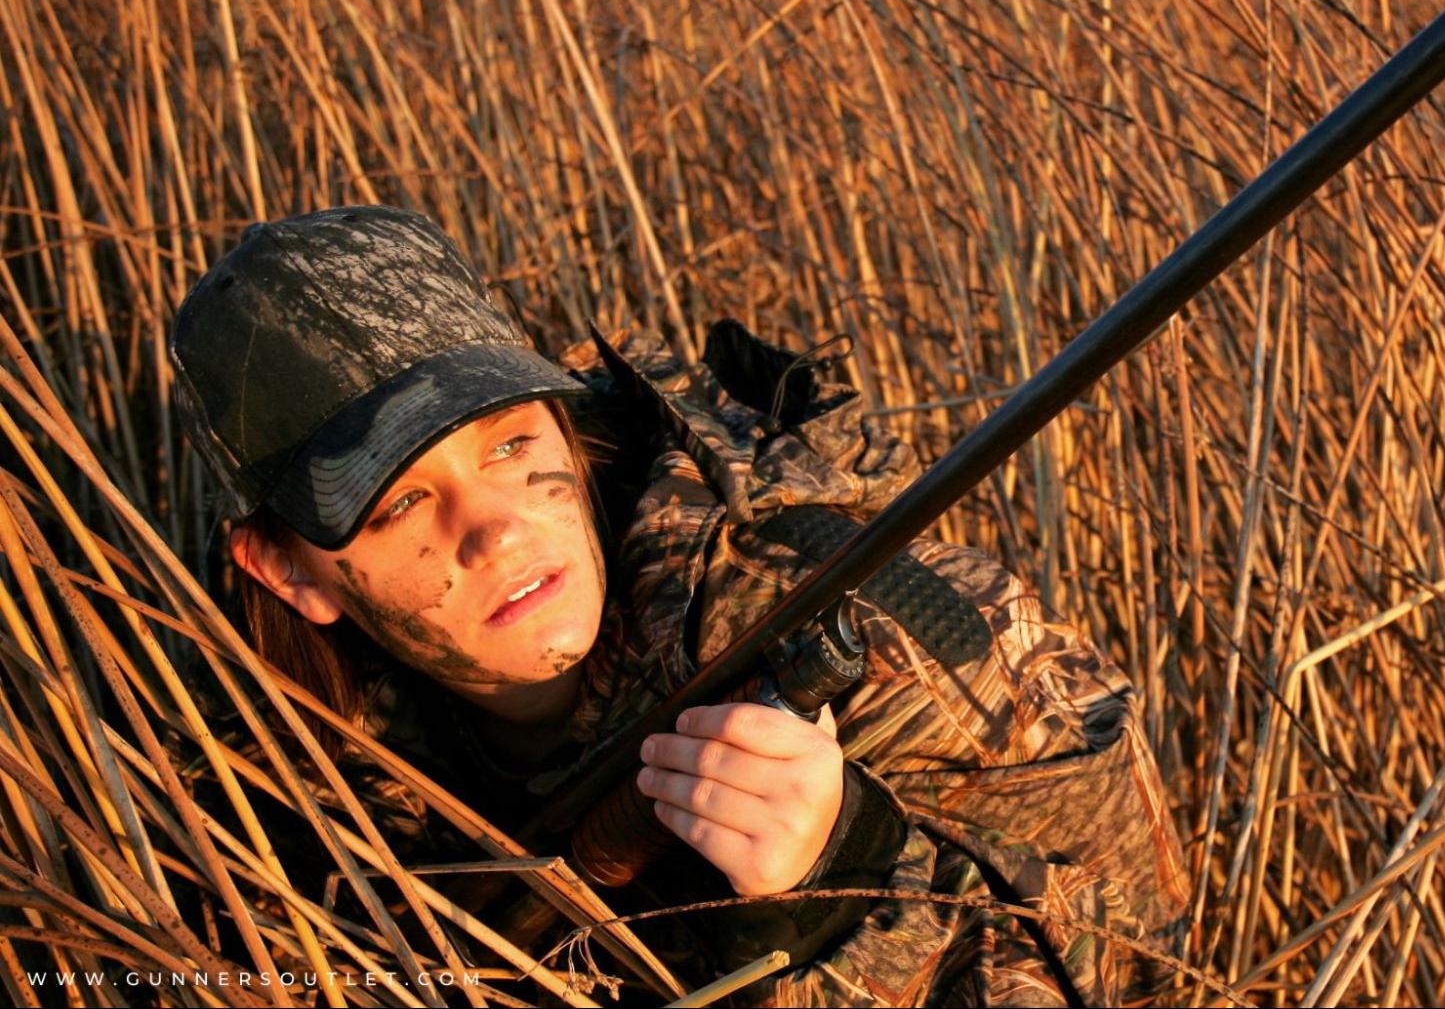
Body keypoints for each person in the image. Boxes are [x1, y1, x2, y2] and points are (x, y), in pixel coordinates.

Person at [169, 205, 1192, 1005]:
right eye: (400, 503)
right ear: (287, 572)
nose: (496, 530)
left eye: (511, 445)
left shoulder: (860, 631)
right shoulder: (264, 784)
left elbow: (1142, 973)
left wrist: (836, 890)